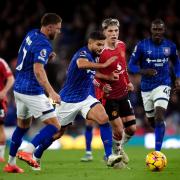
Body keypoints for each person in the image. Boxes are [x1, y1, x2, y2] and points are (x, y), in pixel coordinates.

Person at [19, 31, 122, 171]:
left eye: (102, 45)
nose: (101, 47)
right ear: (90, 43)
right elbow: (81, 64)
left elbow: (91, 72)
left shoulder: (95, 57)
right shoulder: (83, 53)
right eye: (98, 44)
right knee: (56, 134)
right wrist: (104, 66)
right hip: (68, 100)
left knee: (103, 118)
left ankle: (109, 156)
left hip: (85, 97)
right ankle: (36, 154)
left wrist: (107, 77)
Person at [3, 13, 62, 173]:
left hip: (19, 88)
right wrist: (51, 92)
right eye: (57, 29)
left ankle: (11, 163)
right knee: (55, 126)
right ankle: (28, 151)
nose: (58, 32)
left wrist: (45, 57)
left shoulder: (32, 33)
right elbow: (38, 70)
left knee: (22, 126)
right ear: (49, 27)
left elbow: (27, 55)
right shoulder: (44, 44)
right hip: (32, 90)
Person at [128, 19, 180, 151]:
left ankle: (157, 152)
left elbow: (177, 63)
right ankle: (159, 131)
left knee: (159, 115)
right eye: (155, 29)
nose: (157, 32)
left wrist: (178, 78)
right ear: (151, 30)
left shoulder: (170, 46)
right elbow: (131, 66)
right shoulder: (142, 46)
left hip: (163, 84)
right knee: (152, 121)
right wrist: (143, 71)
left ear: (164, 30)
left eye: (160, 29)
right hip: (146, 88)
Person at [94, 18, 137, 168]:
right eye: (110, 31)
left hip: (123, 93)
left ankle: (118, 148)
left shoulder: (121, 45)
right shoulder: (100, 52)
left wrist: (128, 81)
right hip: (108, 97)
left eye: (116, 30)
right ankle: (114, 158)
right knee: (118, 129)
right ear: (104, 32)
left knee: (132, 129)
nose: (114, 34)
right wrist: (102, 86)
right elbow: (92, 73)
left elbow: (123, 66)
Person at [80, 86, 112, 162]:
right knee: (89, 124)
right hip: (91, 97)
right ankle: (88, 152)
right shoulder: (89, 75)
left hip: (104, 97)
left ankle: (108, 153)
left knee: (107, 123)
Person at [0, 58, 15, 163]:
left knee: (0, 128)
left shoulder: (1, 62)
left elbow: (11, 79)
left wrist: (4, 91)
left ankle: (0, 156)